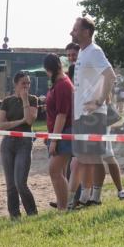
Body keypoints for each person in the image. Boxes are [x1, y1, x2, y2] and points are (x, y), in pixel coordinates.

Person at [70, 16, 116, 206]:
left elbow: (110, 75)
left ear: (86, 32)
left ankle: (95, 198)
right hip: (81, 113)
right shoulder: (83, 52)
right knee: (84, 158)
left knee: (95, 157)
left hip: (93, 114)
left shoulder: (95, 51)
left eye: (75, 29)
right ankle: (85, 196)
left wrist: (99, 101)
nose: (71, 32)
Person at [0, 71, 39, 219]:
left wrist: (25, 100)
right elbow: (1, 125)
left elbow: (29, 121)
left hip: (24, 143)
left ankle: (32, 213)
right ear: (16, 84)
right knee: (10, 185)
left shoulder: (33, 99)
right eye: (23, 83)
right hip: (8, 143)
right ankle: (14, 216)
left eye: (28, 83)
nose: (27, 86)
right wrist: (19, 122)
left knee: (20, 182)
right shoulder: (7, 101)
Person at [43, 53, 74, 211]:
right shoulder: (60, 83)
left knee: (54, 171)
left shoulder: (62, 84)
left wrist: (54, 140)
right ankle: (63, 205)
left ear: (48, 69)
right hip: (59, 132)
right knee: (59, 171)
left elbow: (62, 115)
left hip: (64, 133)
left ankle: (63, 207)